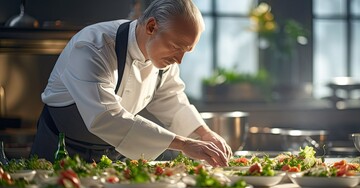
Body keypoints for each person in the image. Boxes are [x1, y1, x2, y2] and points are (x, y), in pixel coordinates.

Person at [30, 0, 231, 167]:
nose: (179, 60)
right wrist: (184, 144)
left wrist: (205, 134)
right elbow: (105, 116)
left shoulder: (163, 59)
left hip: (112, 157)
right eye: (176, 47)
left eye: (186, 51)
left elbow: (173, 101)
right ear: (152, 27)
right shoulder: (94, 45)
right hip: (59, 151)